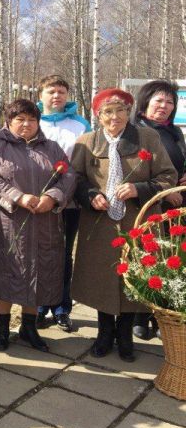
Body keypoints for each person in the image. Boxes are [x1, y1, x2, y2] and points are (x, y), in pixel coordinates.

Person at [71, 88, 176, 362]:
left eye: (120, 110)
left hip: (138, 221)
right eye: (108, 111)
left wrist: (139, 188)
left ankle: (125, 333)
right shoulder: (86, 141)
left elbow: (168, 176)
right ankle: (104, 332)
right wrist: (90, 195)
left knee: (133, 275)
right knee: (101, 276)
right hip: (99, 222)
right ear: (98, 115)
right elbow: (76, 179)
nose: (114, 117)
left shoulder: (148, 138)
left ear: (129, 112)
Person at [0, 99, 76, 353]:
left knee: (39, 272)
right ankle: (1, 329)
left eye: (31, 119)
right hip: (9, 223)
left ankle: (29, 327)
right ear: (9, 121)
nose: (26, 124)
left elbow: (69, 175)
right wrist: (17, 196)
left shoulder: (52, 148)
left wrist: (52, 197)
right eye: (20, 119)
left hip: (44, 222)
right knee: (7, 273)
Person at [35, 75, 92, 332]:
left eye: (61, 92)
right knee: (36, 253)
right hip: (36, 201)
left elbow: (86, 164)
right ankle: (36, 307)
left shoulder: (80, 125)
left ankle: (61, 307)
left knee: (63, 254)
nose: (56, 96)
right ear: (41, 95)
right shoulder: (30, 121)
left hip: (68, 202)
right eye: (51, 91)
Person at [132, 80, 186, 339]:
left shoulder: (175, 132)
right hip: (148, 203)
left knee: (170, 259)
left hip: (175, 205)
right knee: (147, 259)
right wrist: (167, 189)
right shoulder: (135, 130)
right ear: (145, 102)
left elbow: (178, 162)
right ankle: (140, 315)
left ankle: (163, 314)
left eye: (169, 102)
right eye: (159, 101)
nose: (164, 107)